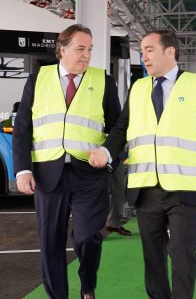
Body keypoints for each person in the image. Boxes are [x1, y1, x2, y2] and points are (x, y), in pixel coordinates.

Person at [88, 30, 196, 299]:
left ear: (170, 51)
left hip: (184, 188)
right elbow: (121, 128)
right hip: (145, 188)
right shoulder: (139, 87)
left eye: (149, 50)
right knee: (153, 257)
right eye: (142, 51)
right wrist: (106, 151)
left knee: (182, 254)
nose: (144, 56)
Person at [12, 24, 121, 299]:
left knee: (87, 237)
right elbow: (22, 128)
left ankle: (87, 284)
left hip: (90, 175)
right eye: (80, 49)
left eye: (90, 49)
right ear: (62, 50)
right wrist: (22, 170)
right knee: (50, 242)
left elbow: (118, 130)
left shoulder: (104, 81)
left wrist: (108, 158)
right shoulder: (38, 80)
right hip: (48, 174)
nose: (86, 55)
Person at [105, 151, 132, 236]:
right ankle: (87, 227)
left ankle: (114, 224)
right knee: (94, 192)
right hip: (93, 155)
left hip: (117, 157)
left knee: (119, 191)